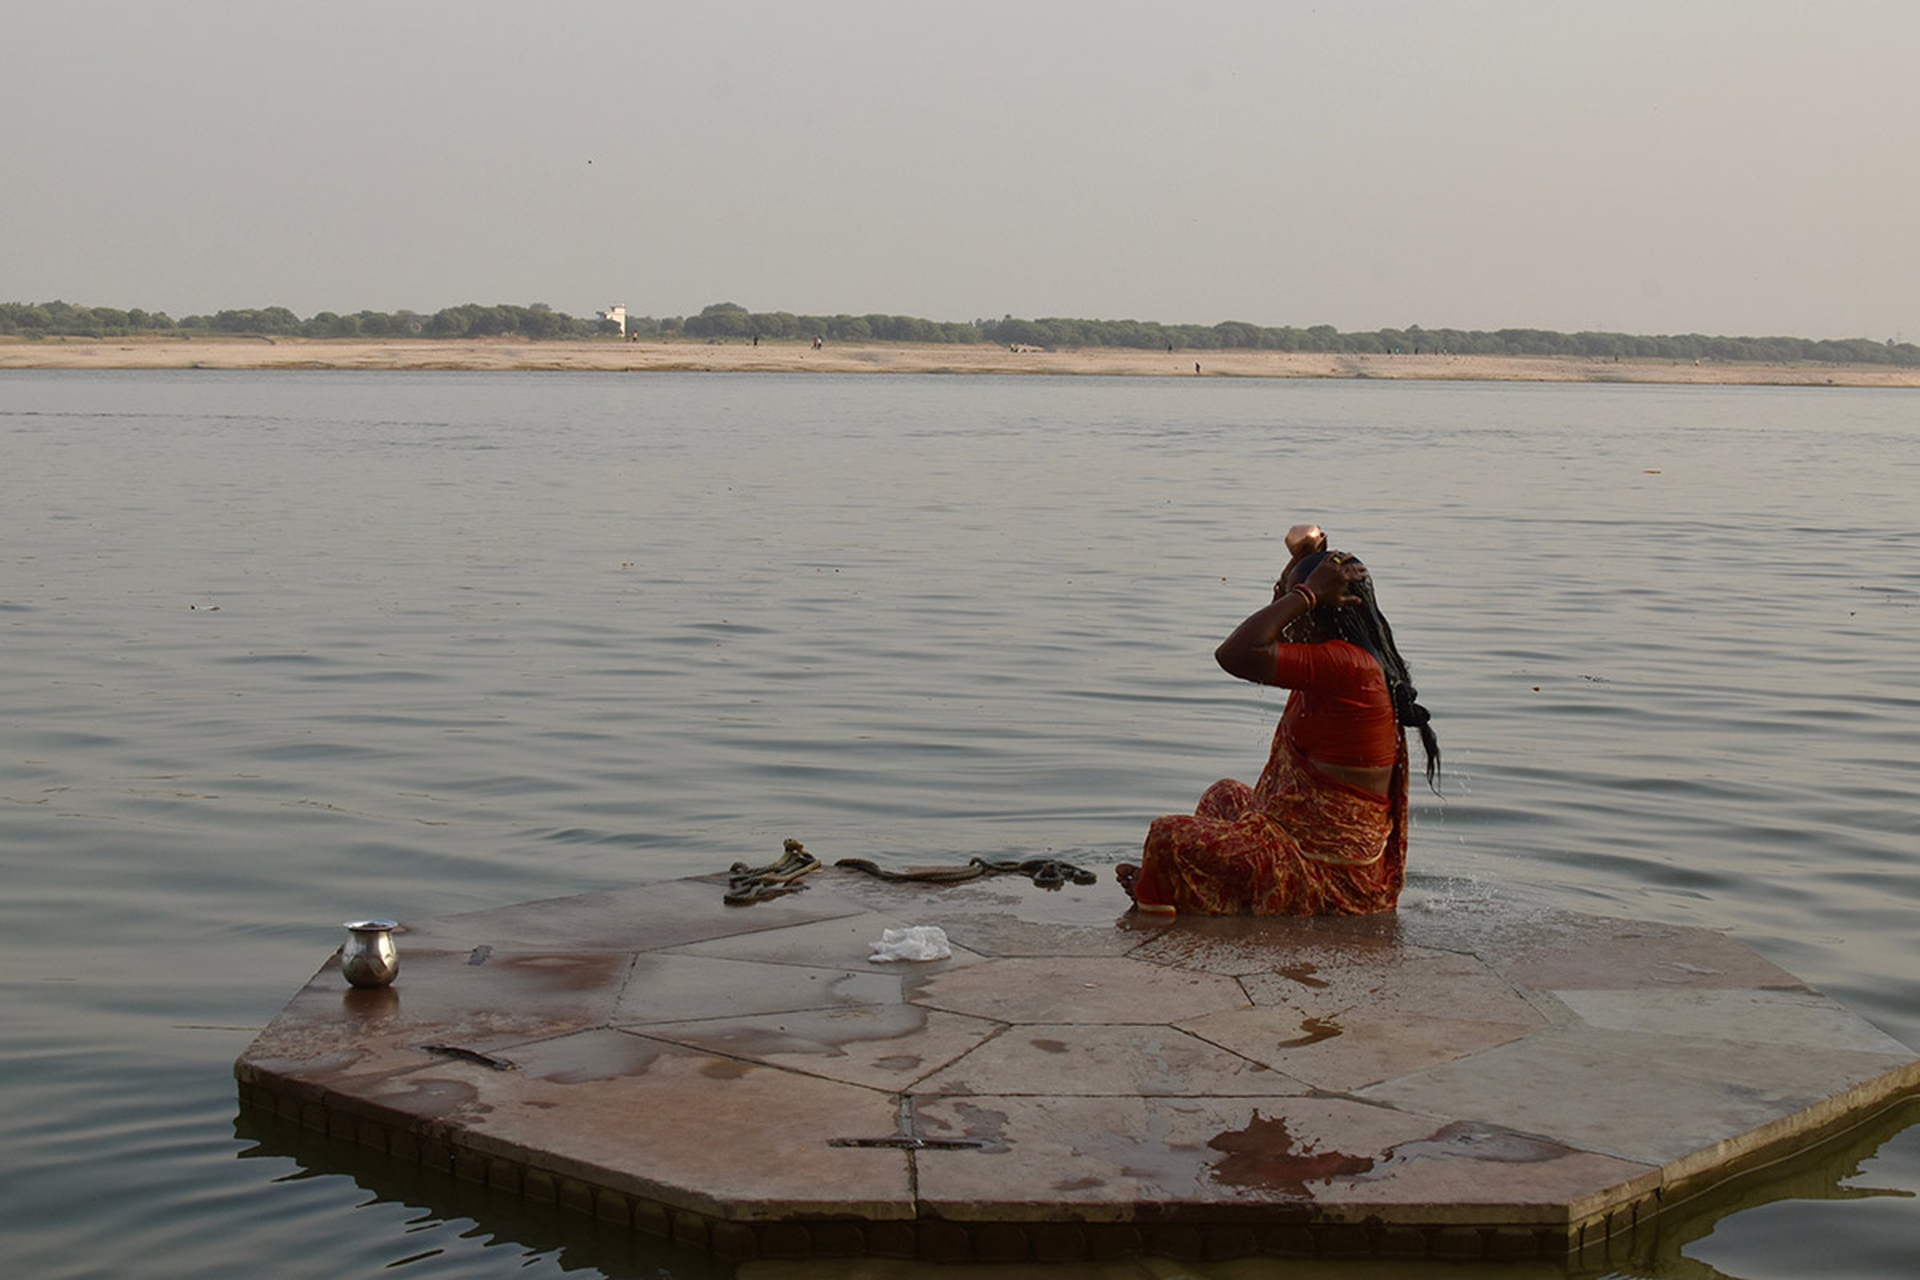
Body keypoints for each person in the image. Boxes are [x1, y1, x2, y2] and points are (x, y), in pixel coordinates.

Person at [1117, 525, 1438, 917]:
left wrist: (1304, 591)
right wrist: (1299, 570)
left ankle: (1167, 896)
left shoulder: (1347, 665)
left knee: (1167, 837)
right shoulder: (1339, 657)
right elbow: (1267, 636)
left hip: (1329, 878)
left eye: (1299, 603)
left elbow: (1236, 654)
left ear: (1319, 607)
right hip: (1303, 848)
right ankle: (1183, 881)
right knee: (1225, 795)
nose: (1289, 613)